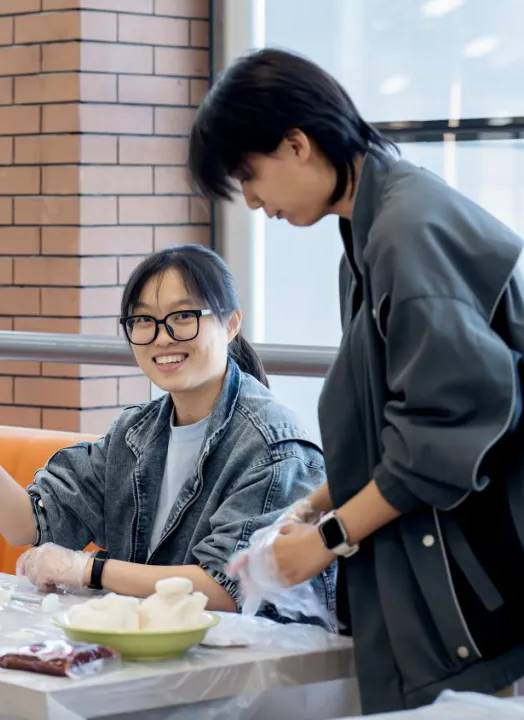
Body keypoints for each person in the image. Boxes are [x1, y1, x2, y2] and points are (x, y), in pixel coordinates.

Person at [188, 47, 524, 713]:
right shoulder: (373, 231)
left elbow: (443, 435)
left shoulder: (406, 230)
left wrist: (326, 539)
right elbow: (394, 425)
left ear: (296, 144)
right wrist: (312, 506)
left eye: (249, 176)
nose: (252, 201)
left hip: (489, 567)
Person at [0, 244, 333, 621]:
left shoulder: (273, 444)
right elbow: (26, 525)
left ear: (231, 323)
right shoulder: (135, 433)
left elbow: (228, 588)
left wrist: (89, 570)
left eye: (183, 317)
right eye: (144, 320)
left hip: (251, 664)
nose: (162, 337)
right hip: (154, 651)